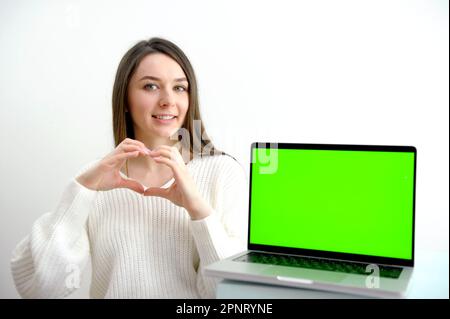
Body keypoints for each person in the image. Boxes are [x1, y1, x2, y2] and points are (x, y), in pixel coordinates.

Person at [10, 37, 248, 298]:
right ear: (124, 99)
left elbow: (231, 295)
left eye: (180, 88)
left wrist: (198, 210)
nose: (168, 100)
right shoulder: (98, 178)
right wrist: (81, 191)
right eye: (151, 86)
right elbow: (42, 289)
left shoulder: (222, 173)